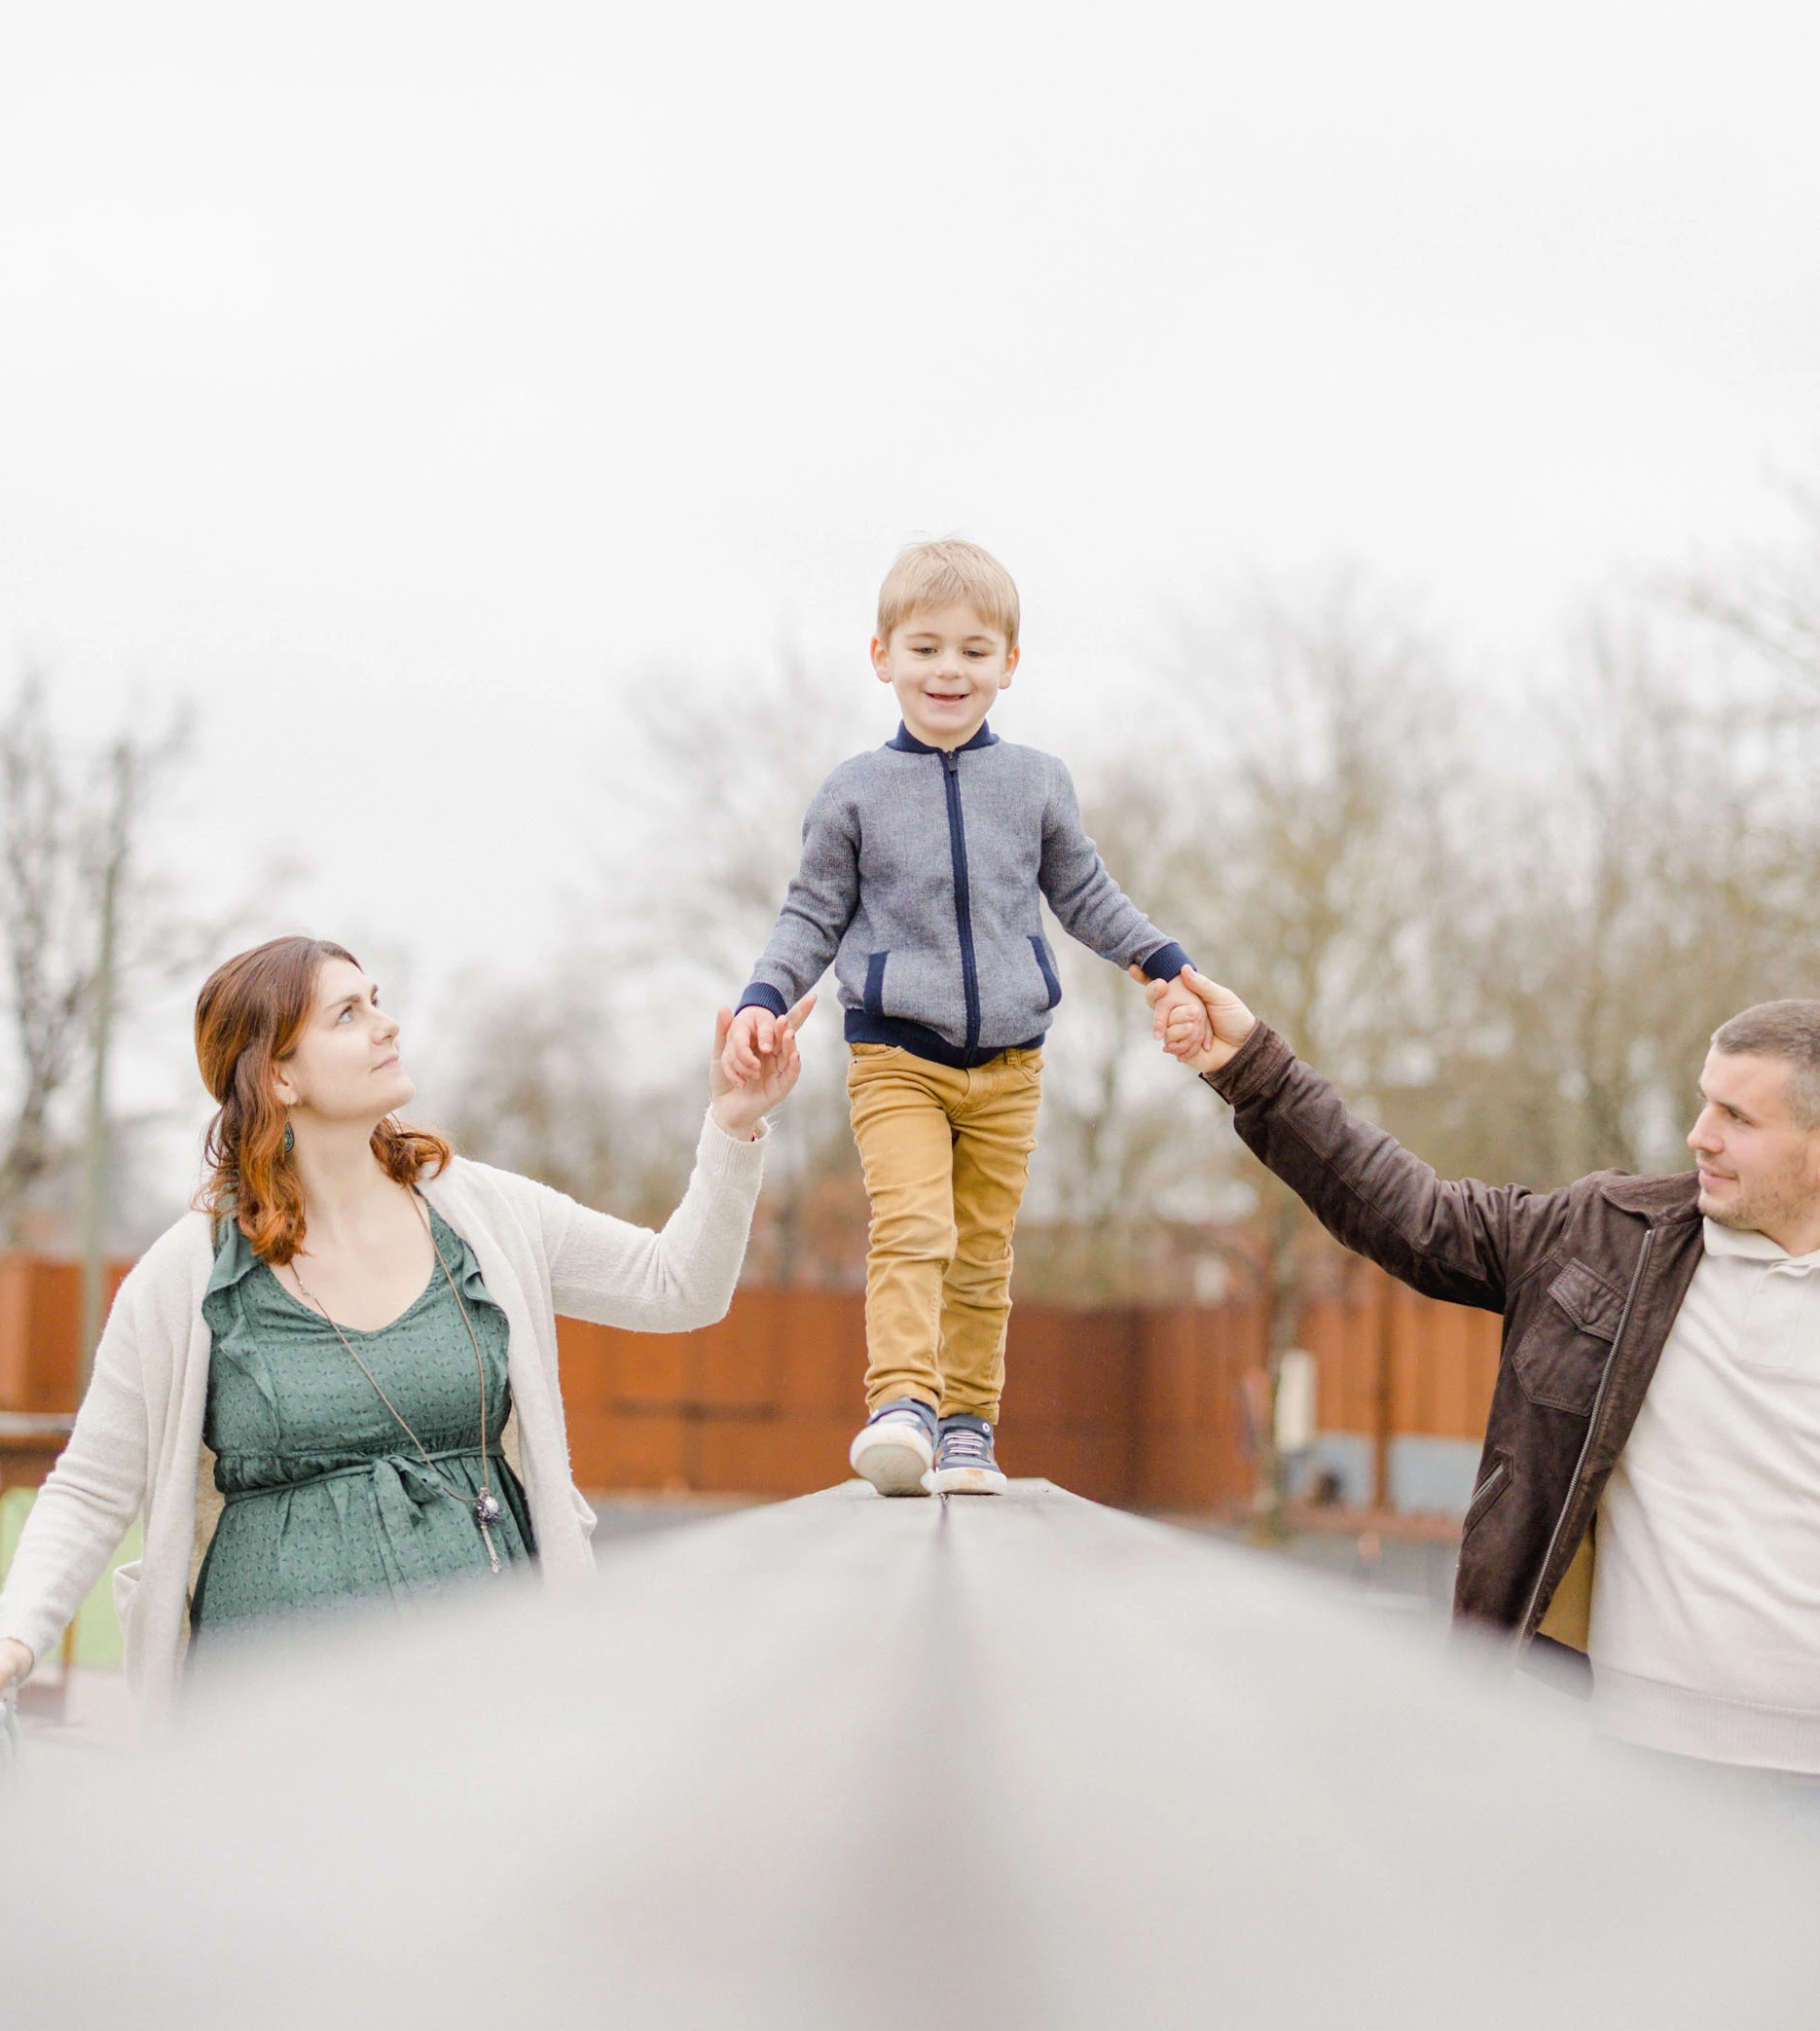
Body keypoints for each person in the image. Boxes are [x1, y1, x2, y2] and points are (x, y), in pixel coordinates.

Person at [0, 934, 805, 1733]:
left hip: (489, 1687)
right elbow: (92, 1487)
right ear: (278, 1076)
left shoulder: (488, 1213)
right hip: (266, 1717)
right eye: (348, 1014)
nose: (387, 1024)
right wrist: (16, 1640)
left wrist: (733, 1126)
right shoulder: (185, 1276)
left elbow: (677, 1286)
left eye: (376, 1001)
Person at [1151, 968, 1820, 1787]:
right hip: (1640, 1763)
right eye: (1705, 1102)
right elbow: (1418, 1217)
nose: (1698, 1135)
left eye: (1738, 1118)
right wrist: (1254, 1067)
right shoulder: (1611, 1240)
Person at [722, 538, 1207, 1498]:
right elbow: (811, 914)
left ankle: (968, 1430)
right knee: (914, 1226)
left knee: (983, 1255)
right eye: (927, 648)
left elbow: (1087, 894)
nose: (950, 669)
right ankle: (902, 1405)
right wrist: (760, 999)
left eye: (975, 651)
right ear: (883, 657)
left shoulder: (1036, 783)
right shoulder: (855, 793)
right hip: (897, 1056)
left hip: (1011, 1067)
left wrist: (1165, 964)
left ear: (1009, 665)